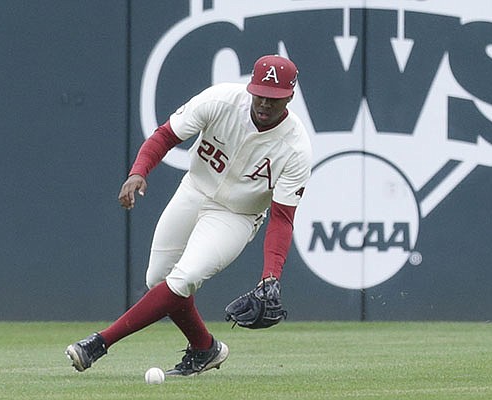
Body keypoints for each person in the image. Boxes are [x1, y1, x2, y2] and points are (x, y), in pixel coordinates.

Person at [65, 54, 312, 376]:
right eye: (260, 94)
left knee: (183, 278)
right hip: (194, 190)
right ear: (250, 87)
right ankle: (205, 348)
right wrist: (138, 172)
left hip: (237, 214)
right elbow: (166, 135)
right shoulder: (221, 99)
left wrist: (271, 276)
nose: (265, 103)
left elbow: (282, 218)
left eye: (274, 98)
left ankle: (99, 343)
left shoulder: (296, 148)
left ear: (290, 98)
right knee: (157, 280)